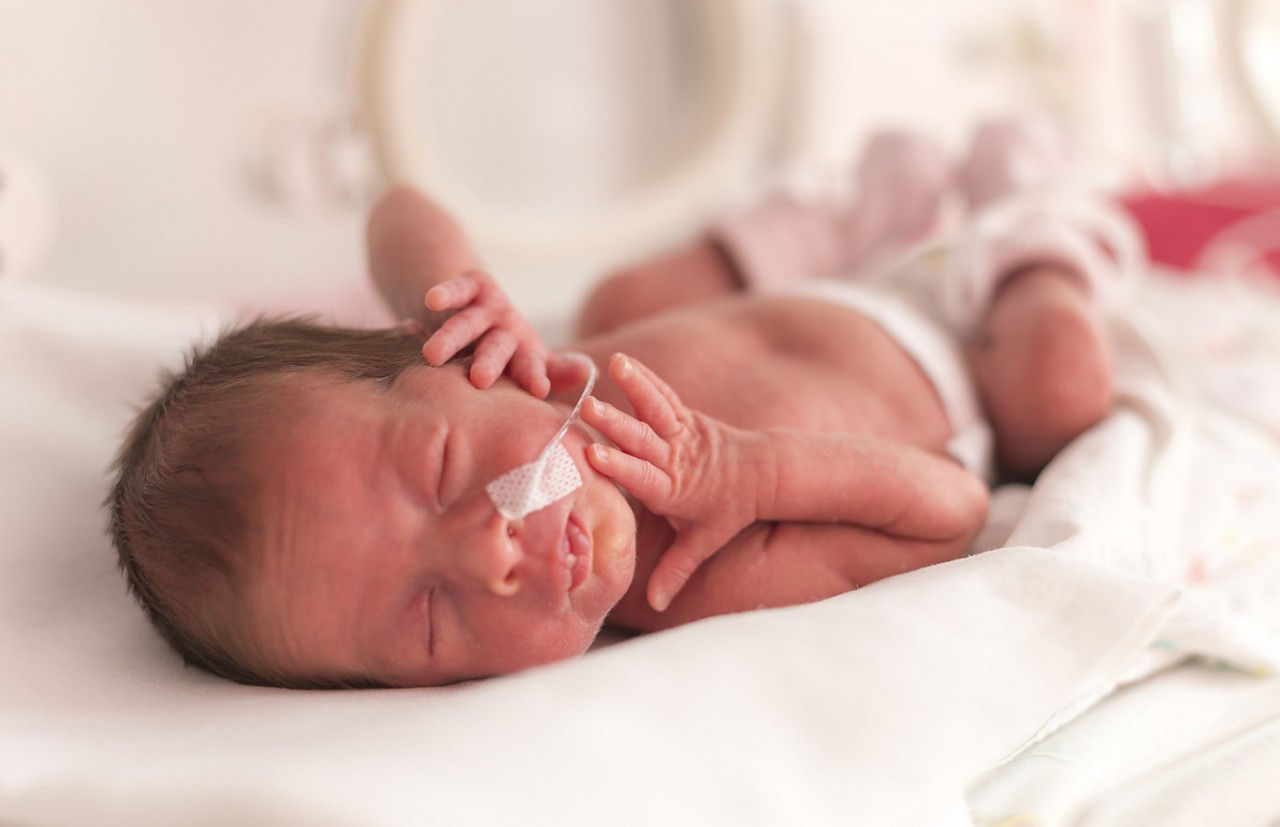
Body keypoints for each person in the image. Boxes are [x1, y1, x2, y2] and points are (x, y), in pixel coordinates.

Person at [109, 119, 1128, 688]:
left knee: (620, 302)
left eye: (436, 473)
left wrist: (461, 292)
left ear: (429, 365)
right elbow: (949, 509)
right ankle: (1021, 222)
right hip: (951, 364)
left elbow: (395, 211)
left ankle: (862, 216)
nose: (488, 552)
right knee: (1062, 391)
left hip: (802, 297)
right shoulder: (695, 573)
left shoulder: (518, 369)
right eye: (426, 617)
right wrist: (749, 473)